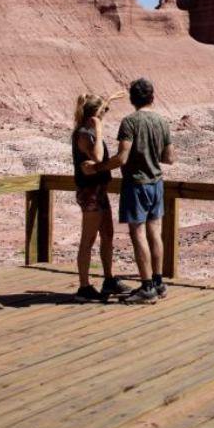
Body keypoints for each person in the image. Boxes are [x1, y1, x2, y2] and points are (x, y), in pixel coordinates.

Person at [100, 78, 174, 305]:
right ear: (152, 97)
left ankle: (146, 286)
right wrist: (152, 154)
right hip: (156, 183)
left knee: (138, 233)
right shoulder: (162, 122)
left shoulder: (130, 122)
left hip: (136, 185)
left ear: (132, 100)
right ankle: (159, 282)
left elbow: (122, 157)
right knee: (155, 231)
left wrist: (99, 167)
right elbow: (169, 158)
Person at [71, 91, 129, 302]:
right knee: (88, 240)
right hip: (90, 192)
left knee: (107, 235)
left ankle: (109, 279)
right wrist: (100, 130)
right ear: (93, 115)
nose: (106, 113)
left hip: (99, 190)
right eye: (103, 111)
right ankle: (84, 287)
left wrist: (109, 101)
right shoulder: (85, 134)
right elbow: (97, 157)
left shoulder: (88, 129)